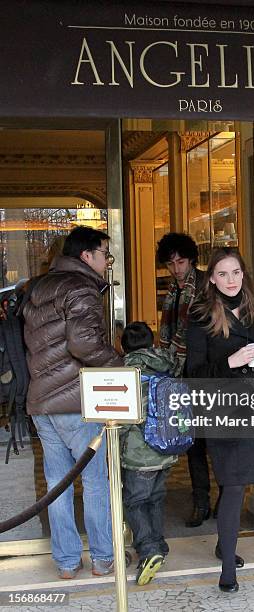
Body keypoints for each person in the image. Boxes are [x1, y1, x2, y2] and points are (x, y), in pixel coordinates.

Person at [23, 226, 123, 579]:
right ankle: (102, 557)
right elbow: (83, 345)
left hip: (42, 402)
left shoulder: (40, 286)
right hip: (76, 402)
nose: (107, 262)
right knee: (96, 481)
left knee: (58, 483)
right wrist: (119, 363)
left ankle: (66, 563)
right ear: (87, 256)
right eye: (105, 255)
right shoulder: (80, 287)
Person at [186, 247, 254, 593]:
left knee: (240, 482)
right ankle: (227, 567)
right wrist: (229, 363)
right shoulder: (200, 314)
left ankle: (222, 545)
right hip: (223, 410)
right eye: (223, 274)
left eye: (237, 273)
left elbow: (252, 363)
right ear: (212, 277)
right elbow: (194, 374)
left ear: (244, 275)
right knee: (232, 483)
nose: (231, 280)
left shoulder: (251, 310)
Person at [157, 232, 217, 527]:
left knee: (212, 438)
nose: (176, 268)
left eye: (180, 261)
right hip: (179, 372)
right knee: (192, 439)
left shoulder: (206, 284)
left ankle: (222, 496)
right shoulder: (173, 289)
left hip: (203, 370)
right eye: (171, 263)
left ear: (191, 259)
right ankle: (201, 499)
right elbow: (167, 332)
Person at [120, 321, 178, 586]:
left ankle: (149, 550)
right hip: (166, 450)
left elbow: (122, 420)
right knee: (155, 498)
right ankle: (159, 544)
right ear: (152, 341)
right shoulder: (167, 364)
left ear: (123, 346)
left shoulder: (126, 372)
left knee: (134, 502)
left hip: (138, 455)